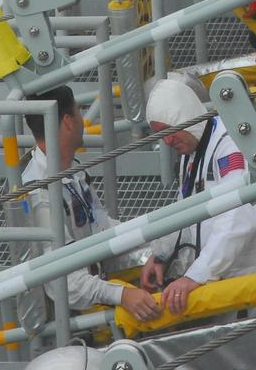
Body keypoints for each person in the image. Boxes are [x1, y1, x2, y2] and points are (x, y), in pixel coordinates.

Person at [140, 77, 256, 316]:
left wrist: (195, 276)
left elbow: (240, 219)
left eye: (169, 131)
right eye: (160, 135)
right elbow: (185, 206)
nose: (167, 141)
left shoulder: (232, 145)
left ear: (184, 117)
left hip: (252, 282)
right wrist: (161, 255)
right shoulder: (194, 146)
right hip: (221, 279)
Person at [21, 86, 161, 322]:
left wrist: (158, 240)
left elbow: (102, 227)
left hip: (100, 280)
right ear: (67, 121)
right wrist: (123, 295)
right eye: (79, 112)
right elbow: (64, 284)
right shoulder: (38, 194)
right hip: (80, 313)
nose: (82, 120)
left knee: (173, 253)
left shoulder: (70, 168)